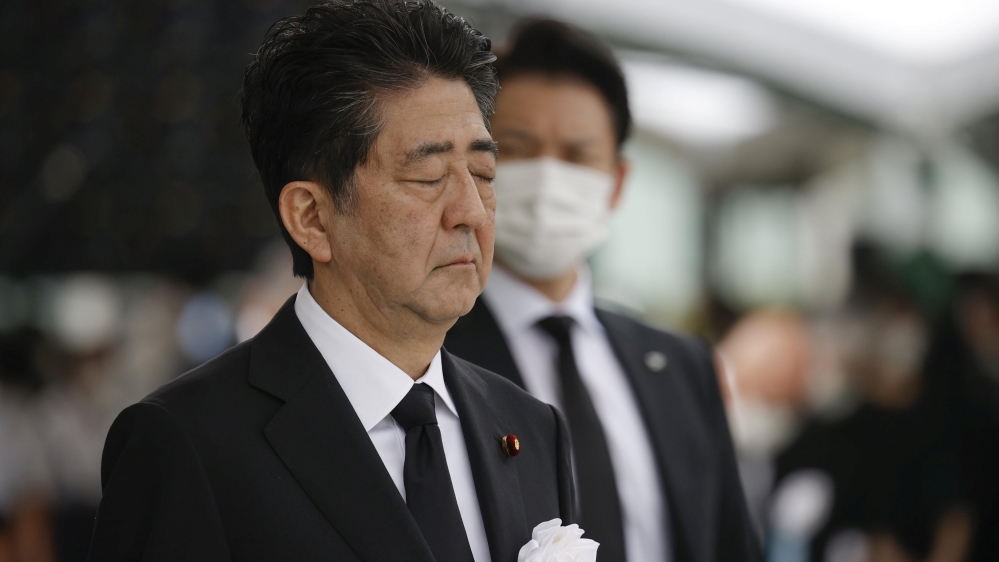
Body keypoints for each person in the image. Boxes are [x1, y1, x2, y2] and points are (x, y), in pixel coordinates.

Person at [87, 2, 576, 561]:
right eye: (428, 176)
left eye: (484, 173)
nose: (471, 210)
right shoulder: (189, 443)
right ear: (312, 218)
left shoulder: (531, 427)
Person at [444, 19, 759, 562]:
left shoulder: (682, 367)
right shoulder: (431, 358)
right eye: (515, 148)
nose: (548, 176)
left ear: (616, 182)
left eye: (576, 155)